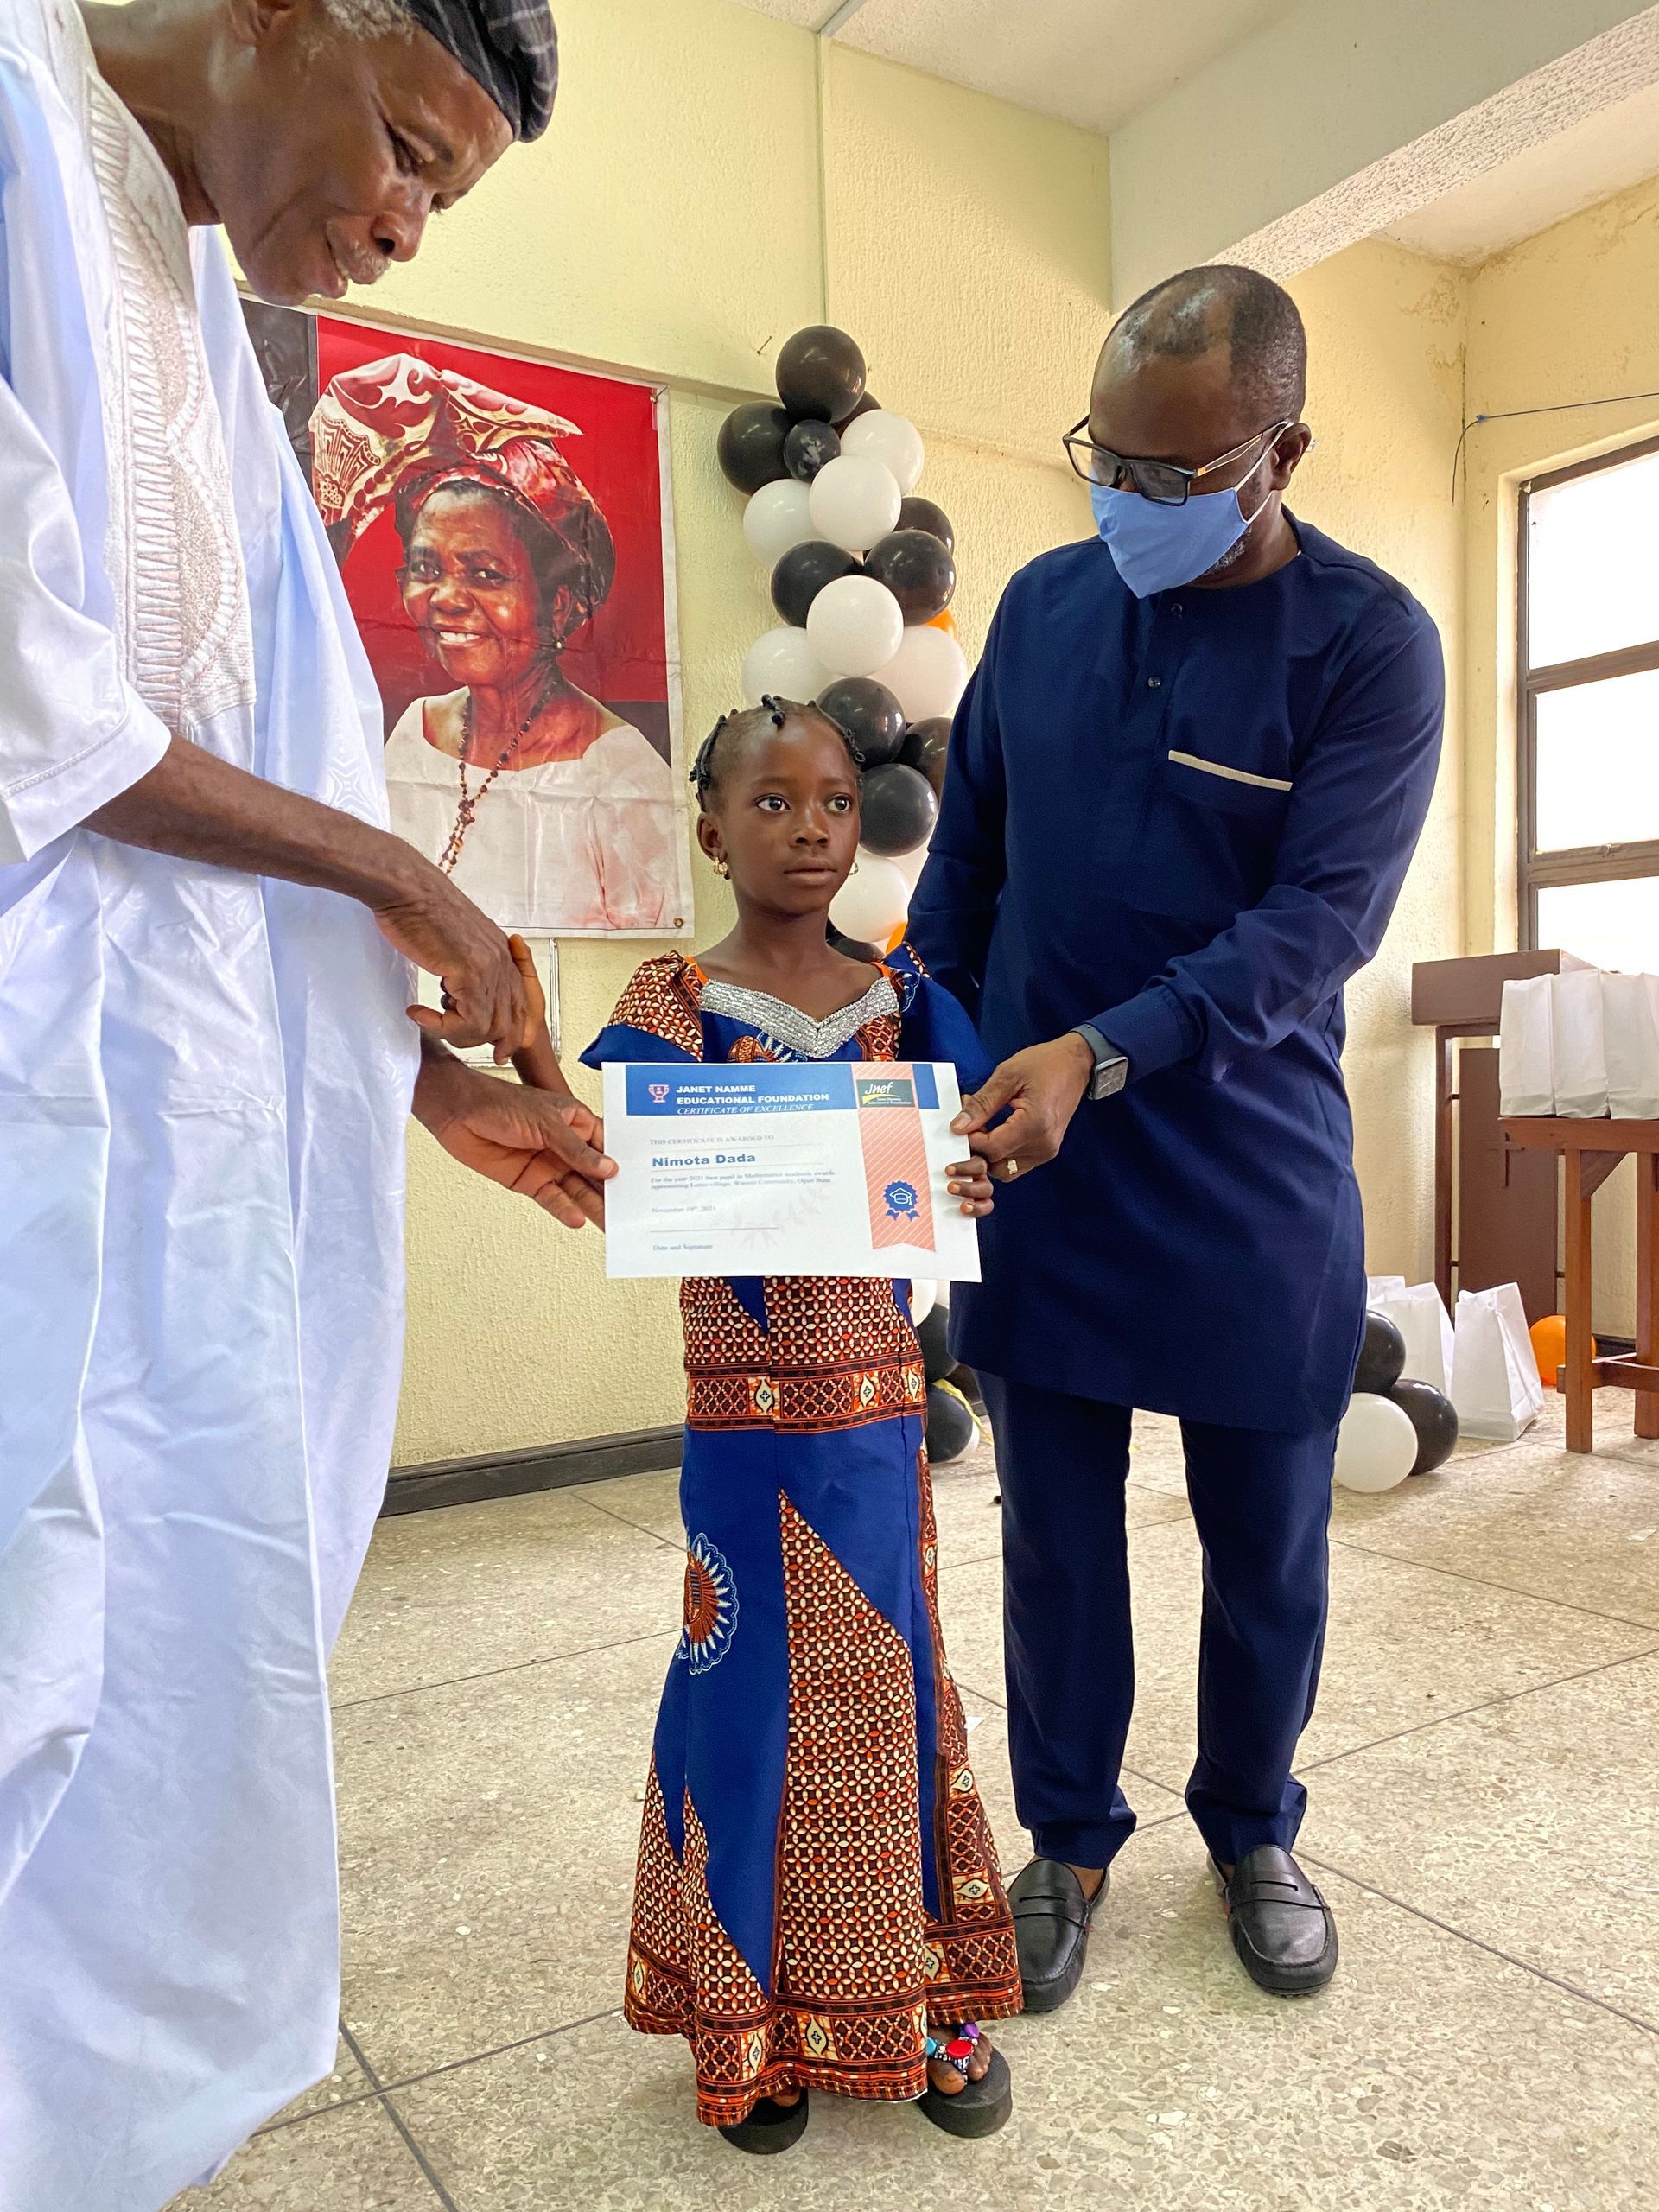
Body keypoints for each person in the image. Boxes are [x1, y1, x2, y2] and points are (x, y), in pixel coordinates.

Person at [0, 3, 612, 2207]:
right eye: (405, 149)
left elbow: (272, 764)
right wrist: (404, 874)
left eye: (441, 197)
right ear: (282, 10)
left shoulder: (194, 291)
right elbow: (40, 712)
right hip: (30, 1134)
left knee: (170, 1636)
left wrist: (422, 1085)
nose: (399, 222)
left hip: (178, 1157)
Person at [908, 267, 1445, 2012]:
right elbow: (963, 871)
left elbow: (1316, 929)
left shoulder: (1370, 644)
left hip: (1243, 1174)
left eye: (1175, 471)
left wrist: (1098, 1050)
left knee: (1266, 1533)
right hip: (1037, 1166)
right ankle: (1065, 1833)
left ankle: (1254, 1821)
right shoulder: (1049, 609)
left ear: (1278, 448)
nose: (1130, 504)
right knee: (1055, 1525)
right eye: (1108, 462)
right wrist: (935, 1062)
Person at [537, 697, 1022, 2150]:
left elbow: (969, 1144)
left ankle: (918, 1995)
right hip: (741, 1438)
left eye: (830, 800)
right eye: (772, 803)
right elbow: (610, 1163)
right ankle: (757, 2020)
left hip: (878, 1422)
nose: (809, 825)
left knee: (892, 1696)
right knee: (745, 1702)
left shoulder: (905, 999)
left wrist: (976, 1180)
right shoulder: (665, 1009)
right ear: (712, 830)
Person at [311, 354, 683, 931]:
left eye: (485, 573)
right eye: (424, 566)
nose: (446, 598)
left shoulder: (617, 776)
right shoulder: (417, 731)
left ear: (557, 604)